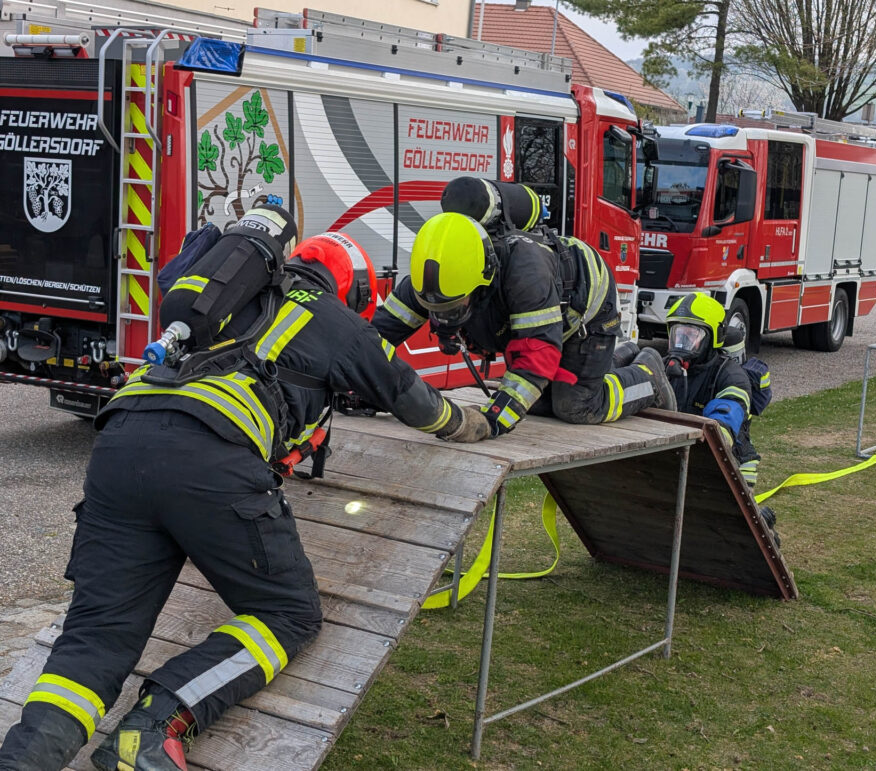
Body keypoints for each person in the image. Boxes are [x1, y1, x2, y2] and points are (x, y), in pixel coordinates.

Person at [0, 212, 489, 771]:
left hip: (118, 445)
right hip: (211, 457)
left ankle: (22, 760)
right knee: (288, 613)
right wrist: (470, 424)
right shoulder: (333, 318)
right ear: (353, 289)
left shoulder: (220, 302)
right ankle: (154, 728)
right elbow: (412, 398)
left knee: (97, 635)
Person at [372, 182, 676, 437]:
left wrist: (493, 422)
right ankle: (615, 359)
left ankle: (648, 377)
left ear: (483, 280)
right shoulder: (435, 273)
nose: (444, 317)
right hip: (547, 315)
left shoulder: (524, 274)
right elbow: (375, 337)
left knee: (576, 405)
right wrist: (360, 386)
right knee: (539, 404)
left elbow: (537, 355)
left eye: (454, 308)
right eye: (436, 310)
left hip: (587, 308)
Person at [629, 292, 779, 542]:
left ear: (714, 338)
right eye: (677, 334)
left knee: (728, 531)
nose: (682, 343)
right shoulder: (666, 367)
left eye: (691, 335)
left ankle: (764, 529)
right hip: (682, 455)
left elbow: (723, 426)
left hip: (730, 462)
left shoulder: (731, 376)